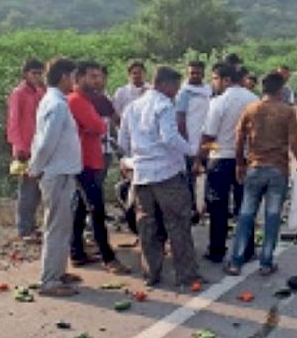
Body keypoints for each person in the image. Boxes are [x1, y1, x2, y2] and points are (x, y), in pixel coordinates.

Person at [118, 66, 203, 287]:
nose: (177, 91)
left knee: (148, 225)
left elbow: (123, 141)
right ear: (166, 84)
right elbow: (169, 137)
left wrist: (131, 160)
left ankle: (151, 274)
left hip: (142, 174)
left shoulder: (132, 107)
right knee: (177, 222)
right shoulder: (164, 105)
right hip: (166, 173)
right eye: (175, 86)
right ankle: (186, 274)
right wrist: (192, 150)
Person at [225, 72, 297, 276]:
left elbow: (239, 139)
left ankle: (236, 261)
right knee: (272, 216)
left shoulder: (251, 109)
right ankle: (266, 262)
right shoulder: (287, 112)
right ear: (281, 90)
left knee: (246, 215)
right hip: (278, 169)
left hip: (255, 167)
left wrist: (239, 164)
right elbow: (294, 142)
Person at [68, 61, 130, 273]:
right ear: (81, 77)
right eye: (92, 76)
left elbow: (102, 125)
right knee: (96, 209)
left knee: (81, 208)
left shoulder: (90, 100)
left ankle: (76, 252)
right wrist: (97, 125)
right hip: (83, 162)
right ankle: (108, 257)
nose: (98, 80)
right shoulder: (76, 100)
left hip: (91, 159)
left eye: (99, 76)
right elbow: (99, 125)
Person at [27, 57, 82, 297]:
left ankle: (58, 272)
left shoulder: (56, 101)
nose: (75, 81)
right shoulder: (56, 105)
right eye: (73, 76)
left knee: (62, 226)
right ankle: (49, 281)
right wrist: (35, 167)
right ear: (63, 77)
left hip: (63, 172)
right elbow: (46, 142)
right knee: (56, 228)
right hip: (56, 173)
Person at [199, 64, 258, 263]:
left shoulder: (219, 102)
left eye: (214, 78)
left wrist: (200, 158)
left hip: (220, 159)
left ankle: (217, 250)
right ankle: (247, 250)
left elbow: (208, 135)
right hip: (246, 160)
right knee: (245, 206)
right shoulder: (253, 100)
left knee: (217, 207)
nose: (212, 83)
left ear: (225, 80)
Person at [6, 58, 46, 242]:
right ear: (25, 74)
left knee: (37, 189)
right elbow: (13, 122)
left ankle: (31, 225)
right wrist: (20, 147)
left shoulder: (39, 92)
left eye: (40, 73)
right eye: (34, 73)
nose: (37, 77)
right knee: (27, 189)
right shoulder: (19, 93)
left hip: (38, 146)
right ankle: (24, 228)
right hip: (24, 148)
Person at [174, 60, 211, 223]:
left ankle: (206, 208)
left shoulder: (209, 91)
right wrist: (186, 143)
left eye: (197, 72)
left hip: (208, 141)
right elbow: (180, 119)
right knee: (190, 178)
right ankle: (191, 209)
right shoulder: (183, 93)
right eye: (191, 73)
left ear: (203, 73)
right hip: (190, 142)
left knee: (209, 175)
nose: (194, 75)